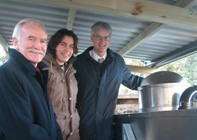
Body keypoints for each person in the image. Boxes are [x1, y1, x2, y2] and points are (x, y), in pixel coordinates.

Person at [73, 21, 144, 140]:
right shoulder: (78, 62)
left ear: (110, 39)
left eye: (106, 37)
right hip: (82, 127)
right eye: (98, 37)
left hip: (106, 128)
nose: (102, 41)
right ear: (91, 38)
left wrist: (157, 82)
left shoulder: (117, 62)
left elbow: (133, 81)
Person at [0, 18, 62, 140]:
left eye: (43, 41)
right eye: (31, 38)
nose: (38, 46)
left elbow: (51, 118)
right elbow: (22, 131)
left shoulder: (38, 73)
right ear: (15, 42)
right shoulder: (7, 74)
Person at [43, 29, 80, 140]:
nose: (67, 50)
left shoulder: (71, 71)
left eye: (71, 46)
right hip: (52, 133)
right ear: (54, 45)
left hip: (74, 133)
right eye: (63, 44)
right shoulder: (43, 66)